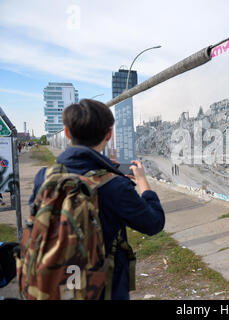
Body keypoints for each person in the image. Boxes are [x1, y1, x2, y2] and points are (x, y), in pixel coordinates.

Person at [29, 99, 165, 300]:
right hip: (104, 289)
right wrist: (143, 181)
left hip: (55, 281)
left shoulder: (45, 176)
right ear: (109, 134)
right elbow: (154, 223)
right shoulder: (114, 186)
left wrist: (105, 166)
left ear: (67, 133)